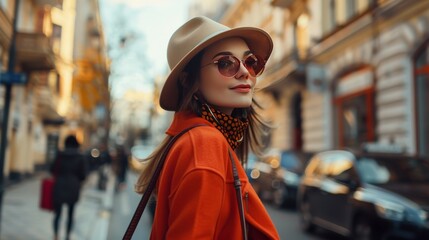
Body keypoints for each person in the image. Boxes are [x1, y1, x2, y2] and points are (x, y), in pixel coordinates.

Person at [135, 16, 280, 239]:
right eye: (225, 63)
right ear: (187, 80)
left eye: (250, 62)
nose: (244, 72)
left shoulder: (198, 140)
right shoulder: (204, 143)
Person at [50, 135, 87, 240]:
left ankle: (56, 235)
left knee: (57, 214)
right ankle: (67, 236)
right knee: (71, 214)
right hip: (73, 188)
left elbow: (52, 170)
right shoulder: (81, 157)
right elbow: (83, 175)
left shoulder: (60, 155)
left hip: (59, 186)